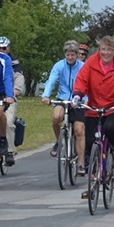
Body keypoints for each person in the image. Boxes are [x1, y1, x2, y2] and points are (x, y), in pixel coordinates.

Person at [72, 35, 114, 199]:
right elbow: (81, 81)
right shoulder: (91, 63)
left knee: (111, 128)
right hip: (94, 107)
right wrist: (78, 95)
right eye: (103, 49)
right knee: (90, 142)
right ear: (99, 50)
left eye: (109, 50)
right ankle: (91, 182)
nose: (105, 53)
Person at [41, 40, 85, 174]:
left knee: (79, 131)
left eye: (73, 55)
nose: (70, 57)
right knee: (56, 117)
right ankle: (59, 140)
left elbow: (88, 84)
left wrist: (87, 100)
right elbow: (52, 80)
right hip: (63, 98)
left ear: (77, 55)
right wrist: (46, 95)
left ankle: (81, 163)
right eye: (68, 55)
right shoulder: (59, 65)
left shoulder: (83, 66)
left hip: (79, 99)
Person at [0, 36, 24, 166]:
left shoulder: (14, 63)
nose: (1, 51)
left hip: (8, 96)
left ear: (8, 48)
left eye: (4, 48)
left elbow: (19, 78)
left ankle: (9, 151)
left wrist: (16, 91)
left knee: (8, 122)